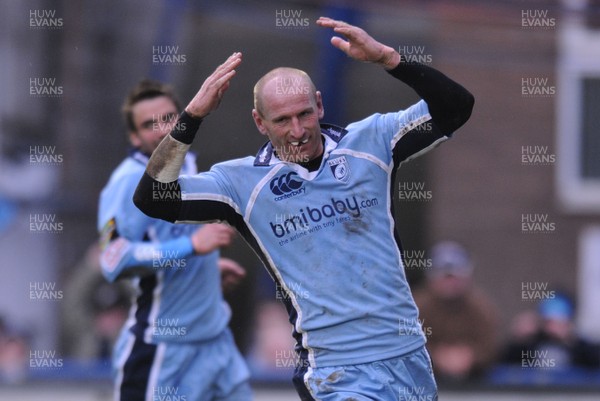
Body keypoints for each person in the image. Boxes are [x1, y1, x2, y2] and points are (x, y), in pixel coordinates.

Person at [134, 16, 474, 400]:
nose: (297, 130)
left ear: (319, 104)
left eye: (304, 114)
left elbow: (456, 108)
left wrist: (389, 59)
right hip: (337, 373)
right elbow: (152, 198)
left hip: (408, 358)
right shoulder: (241, 185)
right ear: (259, 123)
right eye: (282, 120)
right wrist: (191, 117)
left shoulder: (371, 143)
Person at [98, 79, 252, 401]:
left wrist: (207, 267)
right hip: (162, 349)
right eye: (148, 124)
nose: (161, 129)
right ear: (134, 136)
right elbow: (113, 260)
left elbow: (172, 245)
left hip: (216, 342)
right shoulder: (125, 182)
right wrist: (191, 248)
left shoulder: (189, 165)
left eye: (168, 118)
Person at [413, 241, 499, 383]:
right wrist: (436, 356)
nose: (450, 283)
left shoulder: (481, 307)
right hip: (424, 381)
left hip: (475, 382)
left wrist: (470, 357)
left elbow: (491, 346)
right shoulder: (416, 307)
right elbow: (405, 343)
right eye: (444, 277)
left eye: (455, 277)